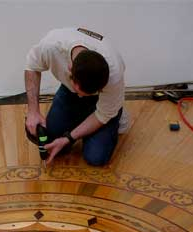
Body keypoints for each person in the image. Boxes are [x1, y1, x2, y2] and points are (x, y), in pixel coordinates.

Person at [25, 27, 129, 166]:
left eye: (87, 93)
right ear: (70, 69)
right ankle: (83, 116)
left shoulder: (114, 73)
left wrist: (68, 138)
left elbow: (103, 115)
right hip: (69, 93)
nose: (82, 95)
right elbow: (32, 67)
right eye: (80, 91)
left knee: (96, 158)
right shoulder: (52, 45)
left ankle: (116, 112)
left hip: (102, 101)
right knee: (49, 142)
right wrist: (33, 111)